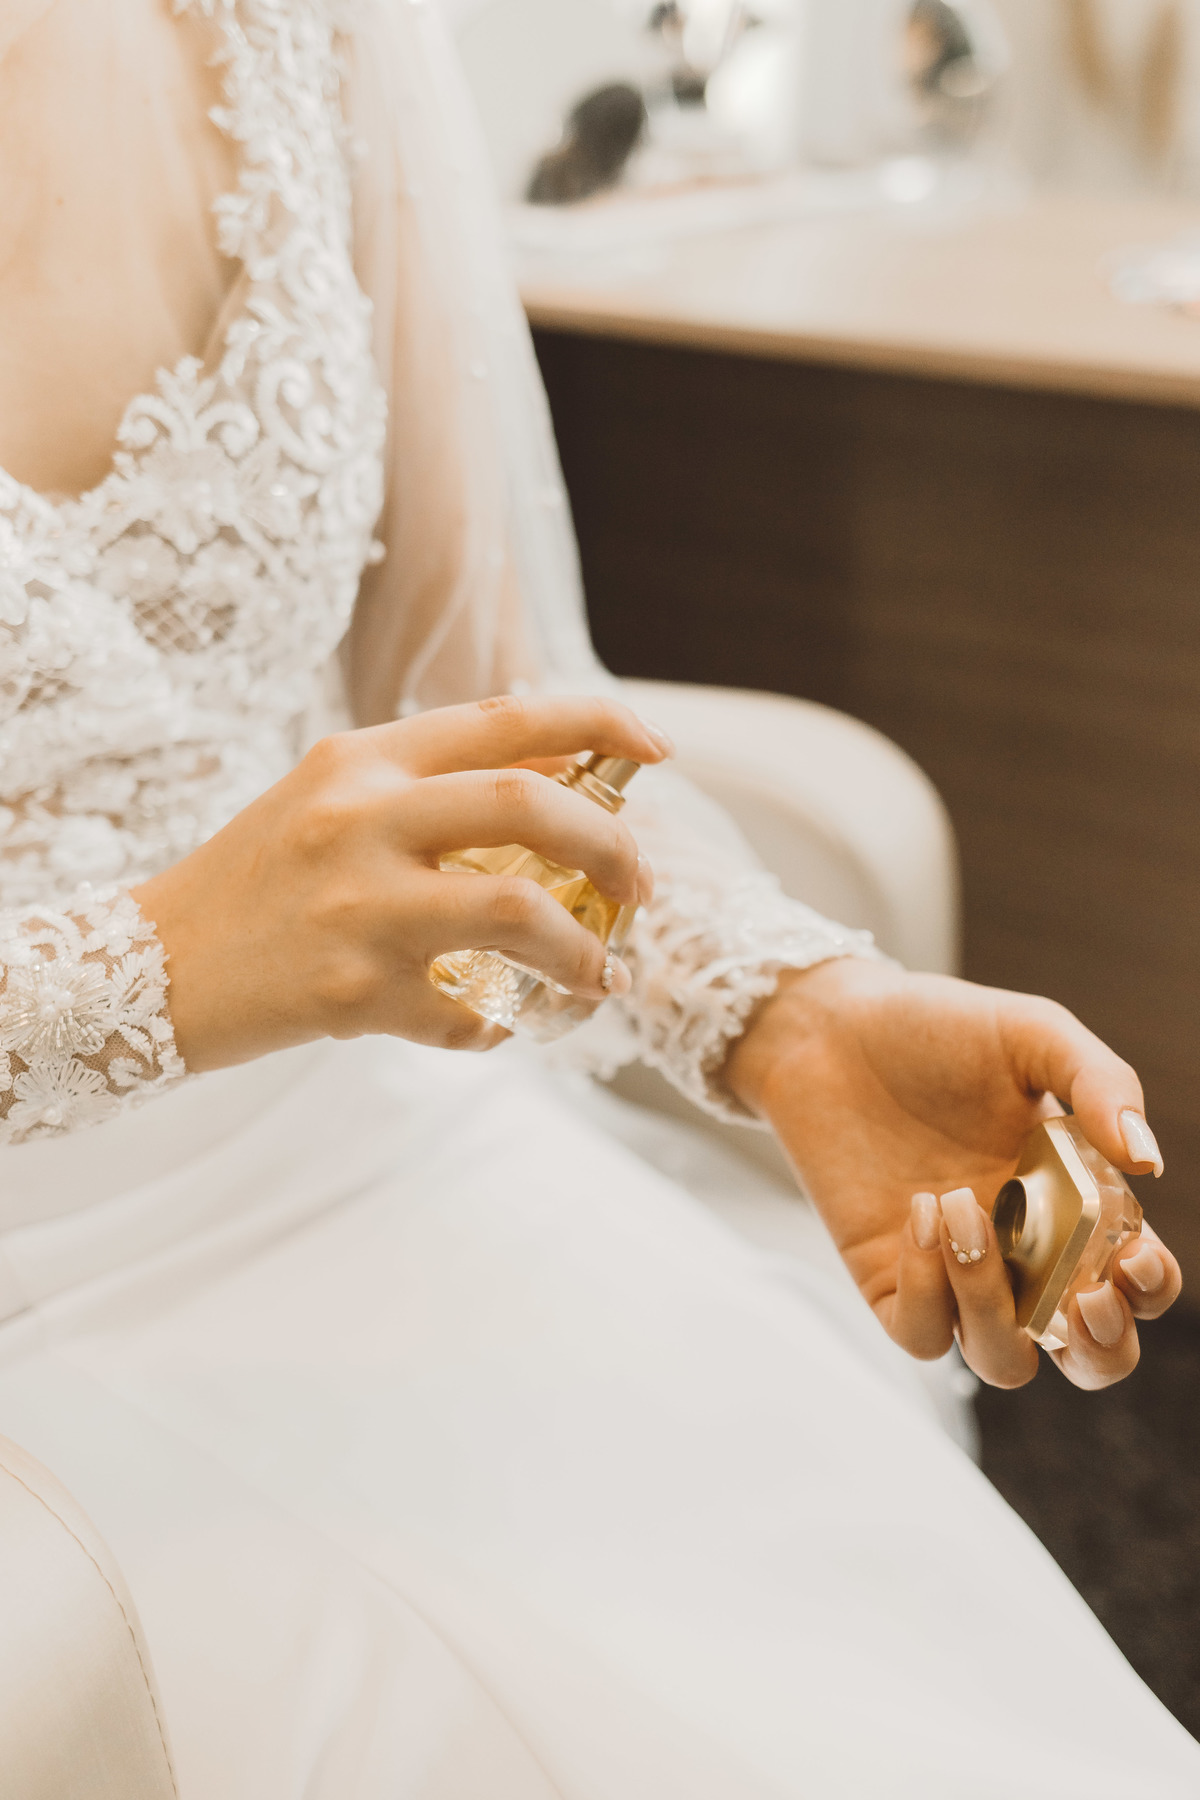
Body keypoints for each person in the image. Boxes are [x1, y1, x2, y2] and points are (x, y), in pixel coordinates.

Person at [0, 1, 1194, 1794]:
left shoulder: (304, 26)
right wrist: (164, 968)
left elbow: (483, 698)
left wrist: (787, 1015)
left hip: (369, 1151)